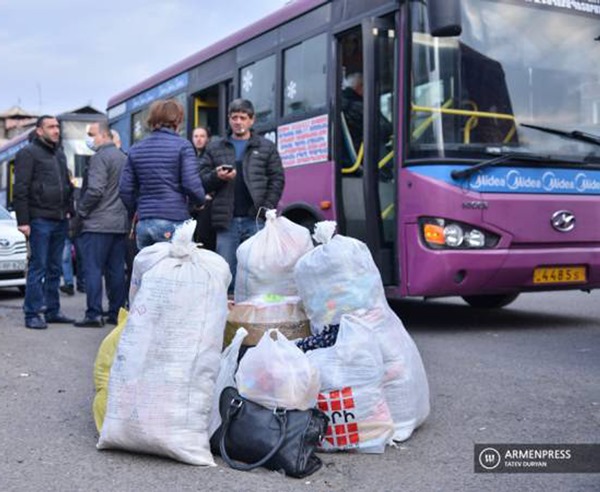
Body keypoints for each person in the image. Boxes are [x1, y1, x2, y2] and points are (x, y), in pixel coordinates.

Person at [199, 98, 285, 291]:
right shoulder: (215, 147)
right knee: (226, 274)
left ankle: (254, 315)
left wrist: (265, 208)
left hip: (255, 219)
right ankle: (229, 317)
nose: (238, 121)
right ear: (229, 119)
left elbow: (277, 179)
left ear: (251, 120)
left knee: (257, 272)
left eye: (243, 118)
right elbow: (201, 179)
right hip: (226, 221)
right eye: (234, 117)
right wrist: (217, 176)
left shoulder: (265, 147)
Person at [13, 115, 74, 329]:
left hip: (59, 219)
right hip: (39, 220)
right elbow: (20, 189)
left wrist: (69, 211)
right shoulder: (27, 153)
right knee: (38, 267)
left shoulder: (59, 154)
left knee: (55, 268)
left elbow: (66, 186)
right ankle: (32, 313)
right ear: (39, 130)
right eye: (51, 127)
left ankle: (52, 310)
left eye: (57, 126)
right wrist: (24, 221)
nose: (56, 130)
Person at [120, 99, 206, 249]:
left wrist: (139, 209)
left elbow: (125, 189)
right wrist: (199, 202)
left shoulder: (136, 148)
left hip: (145, 223)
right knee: (177, 270)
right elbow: (191, 185)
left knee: (148, 270)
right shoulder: (183, 146)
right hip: (174, 220)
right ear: (177, 120)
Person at [73, 121, 129, 328]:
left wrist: (82, 211)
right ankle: (115, 312)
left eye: (92, 135)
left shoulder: (99, 158)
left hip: (97, 224)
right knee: (116, 271)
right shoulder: (123, 157)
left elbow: (95, 190)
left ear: (104, 136)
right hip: (119, 223)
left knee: (93, 269)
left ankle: (93, 314)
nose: (90, 139)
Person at [190, 126, 216, 250]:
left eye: (202, 136)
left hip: (208, 208)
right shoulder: (191, 158)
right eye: (196, 136)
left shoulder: (212, 157)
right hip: (195, 207)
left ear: (208, 139)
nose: (198, 139)